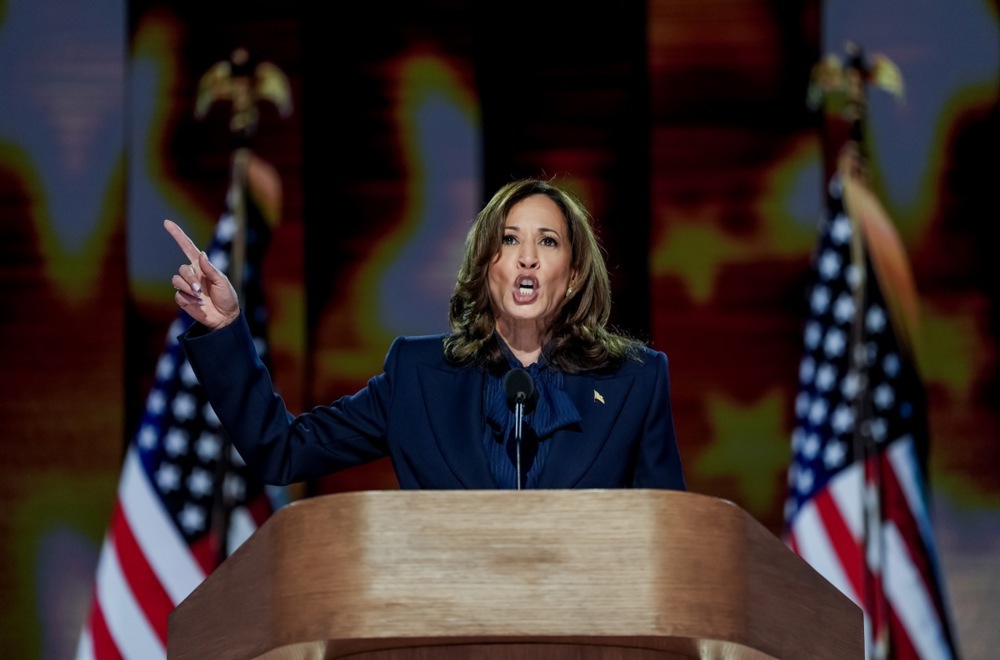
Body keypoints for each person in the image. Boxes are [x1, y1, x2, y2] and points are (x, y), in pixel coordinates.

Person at [166, 177, 686, 491]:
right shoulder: (418, 376)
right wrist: (228, 330)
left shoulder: (633, 383)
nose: (527, 256)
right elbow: (282, 450)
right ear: (488, 267)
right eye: (509, 240)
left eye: (547, 241)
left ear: (572, 277)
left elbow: (672, 539)